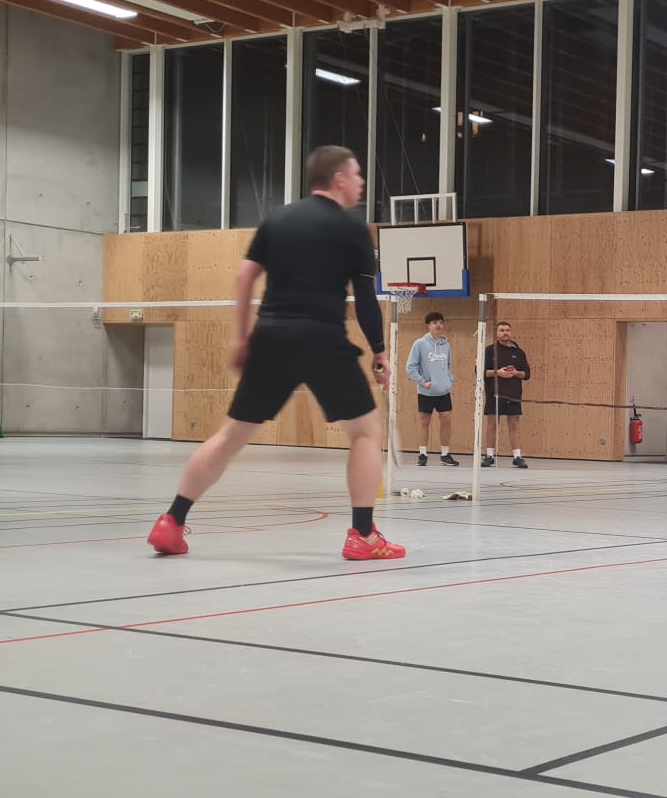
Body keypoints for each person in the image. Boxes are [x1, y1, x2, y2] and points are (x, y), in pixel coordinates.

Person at [146, 146, 406, 561]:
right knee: (365, 433)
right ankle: (363, 535)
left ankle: (172, 522)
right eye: (357, 175)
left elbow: (245, 276)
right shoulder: (353, 230)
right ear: (339, 179)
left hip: (270, 337)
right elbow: (365, 299)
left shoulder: (277, 219)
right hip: (322, 339)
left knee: (231, 436)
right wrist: (379, 350)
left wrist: (242, 337)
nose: (361, 183)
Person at [406, 311, 459, 466]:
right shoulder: (420, 344)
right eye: (435, 323)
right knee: (424, 421)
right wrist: (422, 382)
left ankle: (445, 454)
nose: (438, 325)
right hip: (426, 391)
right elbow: (410, 367)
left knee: (446, 419)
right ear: (428, 325)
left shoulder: (446, 345)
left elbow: (448, 365)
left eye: (441, 322)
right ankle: (422, 454)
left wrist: (449, 380)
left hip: (443, 391)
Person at [482, 320, 531, 468]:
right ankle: (489, 456)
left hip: (513, 394)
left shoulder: (519, 352)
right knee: (492, 424)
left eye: (507, 330)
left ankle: (517, 457)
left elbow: (526, 374)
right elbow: (481, 372)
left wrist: (516, 373)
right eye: (502, 330)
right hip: (494, 393)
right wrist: (498, 372)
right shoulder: (489, 351)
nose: (505, 333)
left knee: (514, 425)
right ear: (497, 333)